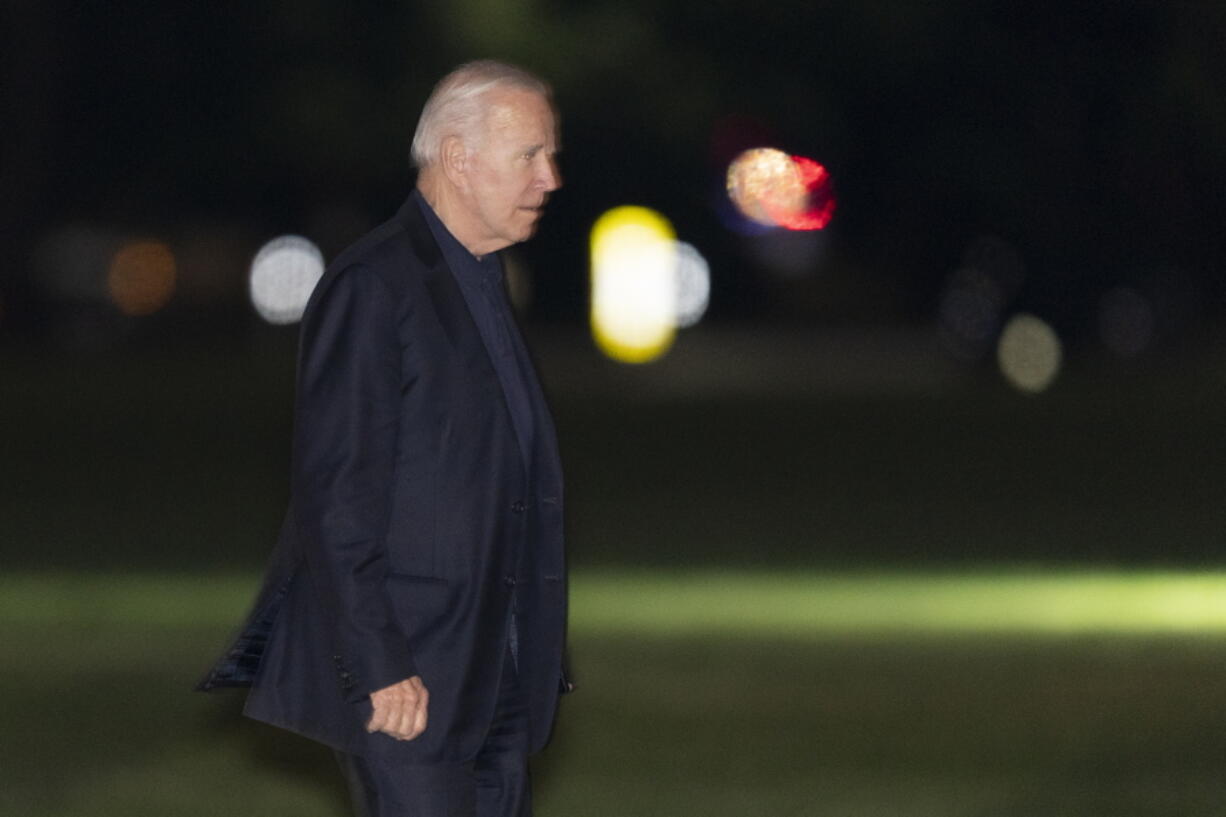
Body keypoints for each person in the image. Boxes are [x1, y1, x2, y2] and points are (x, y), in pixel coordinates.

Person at [199, 60, 570, 817]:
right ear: (460, 158)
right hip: (413, 680)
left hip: (495, 670)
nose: (551, 177)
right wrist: (382, 665)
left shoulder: (482, 281)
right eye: (530, 154)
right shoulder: (376, 285)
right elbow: (335, 499)